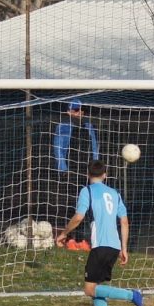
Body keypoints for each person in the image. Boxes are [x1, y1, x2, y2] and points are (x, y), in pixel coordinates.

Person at [55, 160, 143, 306]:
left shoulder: (86, 191)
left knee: (89, 289)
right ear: (105, 175)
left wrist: (63, 233)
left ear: (88, 175)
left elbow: (79, 217)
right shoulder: (115, 193)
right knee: (96, 286)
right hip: (114, 246)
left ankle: (132, 295)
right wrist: (124, 248)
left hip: (100, 246)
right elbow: (124, 221)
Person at [52, 99, 100, 251]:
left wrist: (96, 167)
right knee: (72, 204)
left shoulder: (89, 126)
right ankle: (70, 238)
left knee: (87, 205)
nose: (78, 112)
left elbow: (94, 148)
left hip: (87, 171)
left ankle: (83, 239)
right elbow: (58, 148)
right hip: (70, 170)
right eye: (75, 110)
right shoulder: (63, 127)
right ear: (68, 111)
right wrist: (62, 169)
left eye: (79, 110)